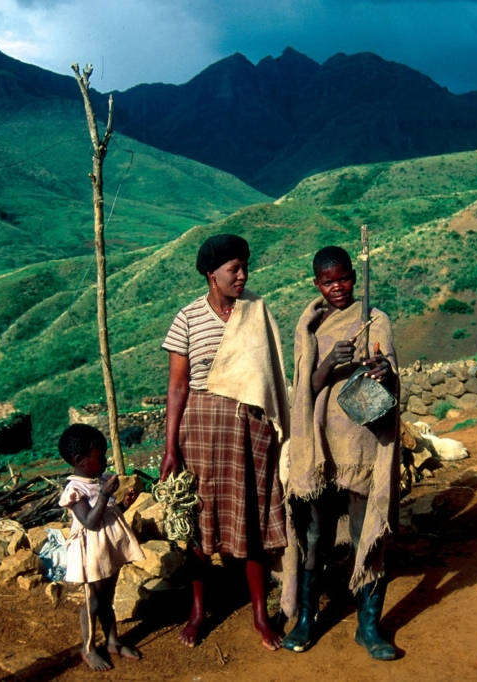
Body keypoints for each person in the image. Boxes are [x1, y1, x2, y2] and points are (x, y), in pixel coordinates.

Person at [161, 233, 290, 650]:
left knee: (250, 519)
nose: (242, 275)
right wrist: (170, 448)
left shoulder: (256, 310)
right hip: (199, 431)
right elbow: (178, 387)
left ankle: (259, 614)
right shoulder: (187, 318)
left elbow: (271, 375)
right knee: (200, 525)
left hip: (249, 431)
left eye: (244, 267)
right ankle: (199, 613)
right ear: (210, 275)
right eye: (233, 269)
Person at [282, 245, 401, 660]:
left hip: (361, 448)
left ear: (353, 275)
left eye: (343, 279)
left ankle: (369, 627)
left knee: (364, 538)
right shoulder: (310, 326)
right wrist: (330, 361)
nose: (337, 288)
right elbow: (306, 390)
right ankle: (306, 619)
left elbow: (389, 376)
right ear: (316, 283)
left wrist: (384, 370)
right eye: (328, 282)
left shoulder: (375, 319)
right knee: (314, 538)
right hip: (321, 453)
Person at [57, 423, 146, 671]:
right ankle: (88, 648)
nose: (105, 460)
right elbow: (89, 521)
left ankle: (113, 642)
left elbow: (107, 515)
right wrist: (106, 495)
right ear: (80, 460)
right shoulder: (75, 489)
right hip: (91, 554)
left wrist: (124, 504)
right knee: (93, 602)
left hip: (108, 549)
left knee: (108, 598)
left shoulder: (99, 480)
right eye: (100, 456)